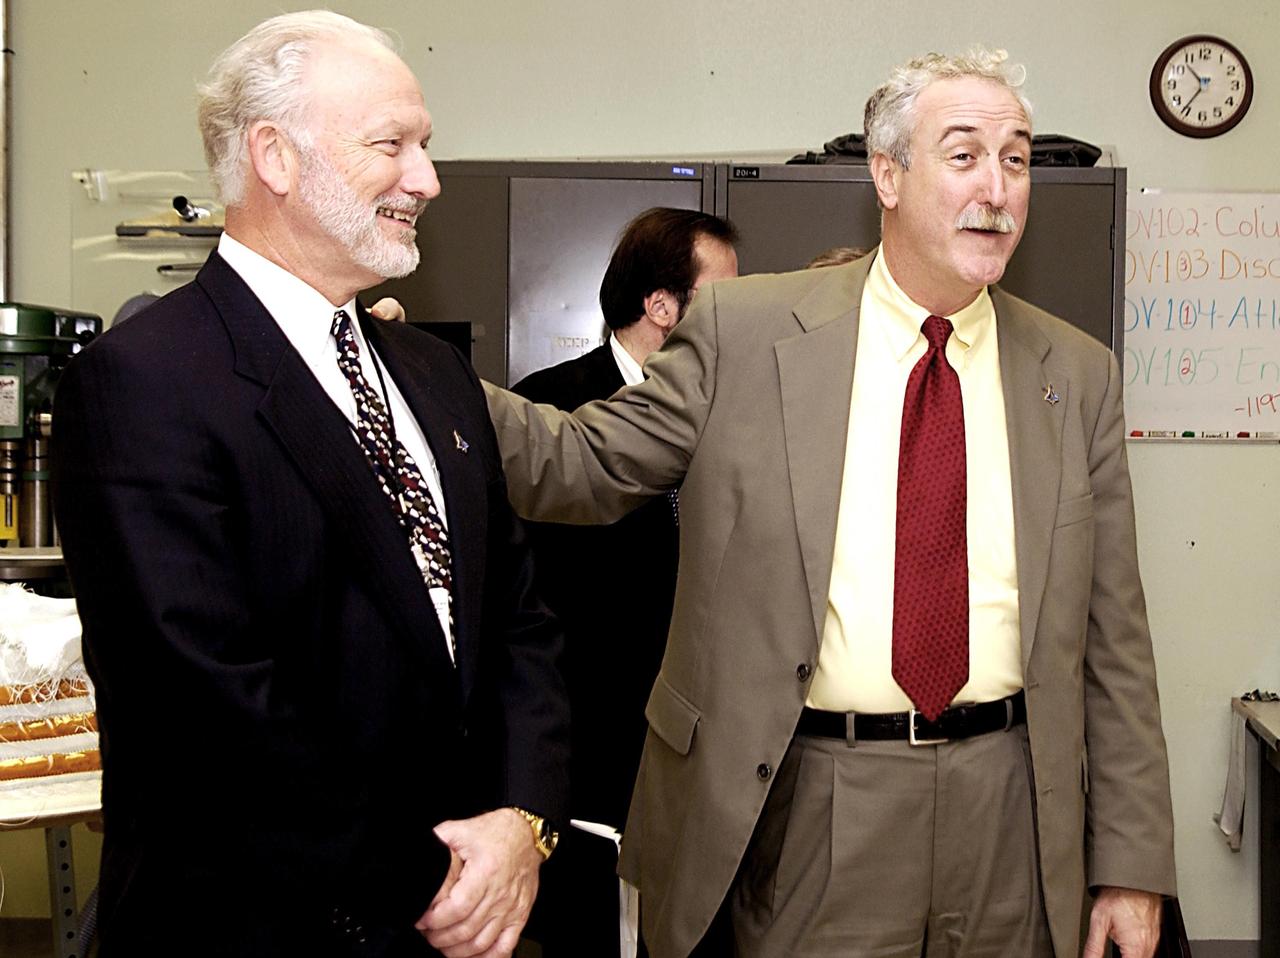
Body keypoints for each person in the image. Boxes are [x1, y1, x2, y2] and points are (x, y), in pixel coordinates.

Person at [482, 48, 1175, 958]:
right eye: (963, 155)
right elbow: (577, 464)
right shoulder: (746, 331)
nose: (998, 188)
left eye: (1016, 158)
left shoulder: (1077, 374)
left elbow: (1115, 638)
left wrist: (1129, 862)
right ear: (887, 175)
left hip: (1013, 803)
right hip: (816, 797)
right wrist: (414, 378)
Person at [50, 12, 568, 957]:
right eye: (391, 145)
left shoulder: (434, 372)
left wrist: (522, 823)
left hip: (471, 911)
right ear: (275, 157)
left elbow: (515, 622)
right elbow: (204, 702)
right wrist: (437, 879)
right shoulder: (146, 380)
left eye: (426, 145)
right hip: (265, 924)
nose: (428, 178)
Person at [511, 207, 737, 958]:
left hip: (701, 742)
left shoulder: (737, 412)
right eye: (723, 296)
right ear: (663, 307)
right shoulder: (551, 407)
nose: (741, 316)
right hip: (591, 741)